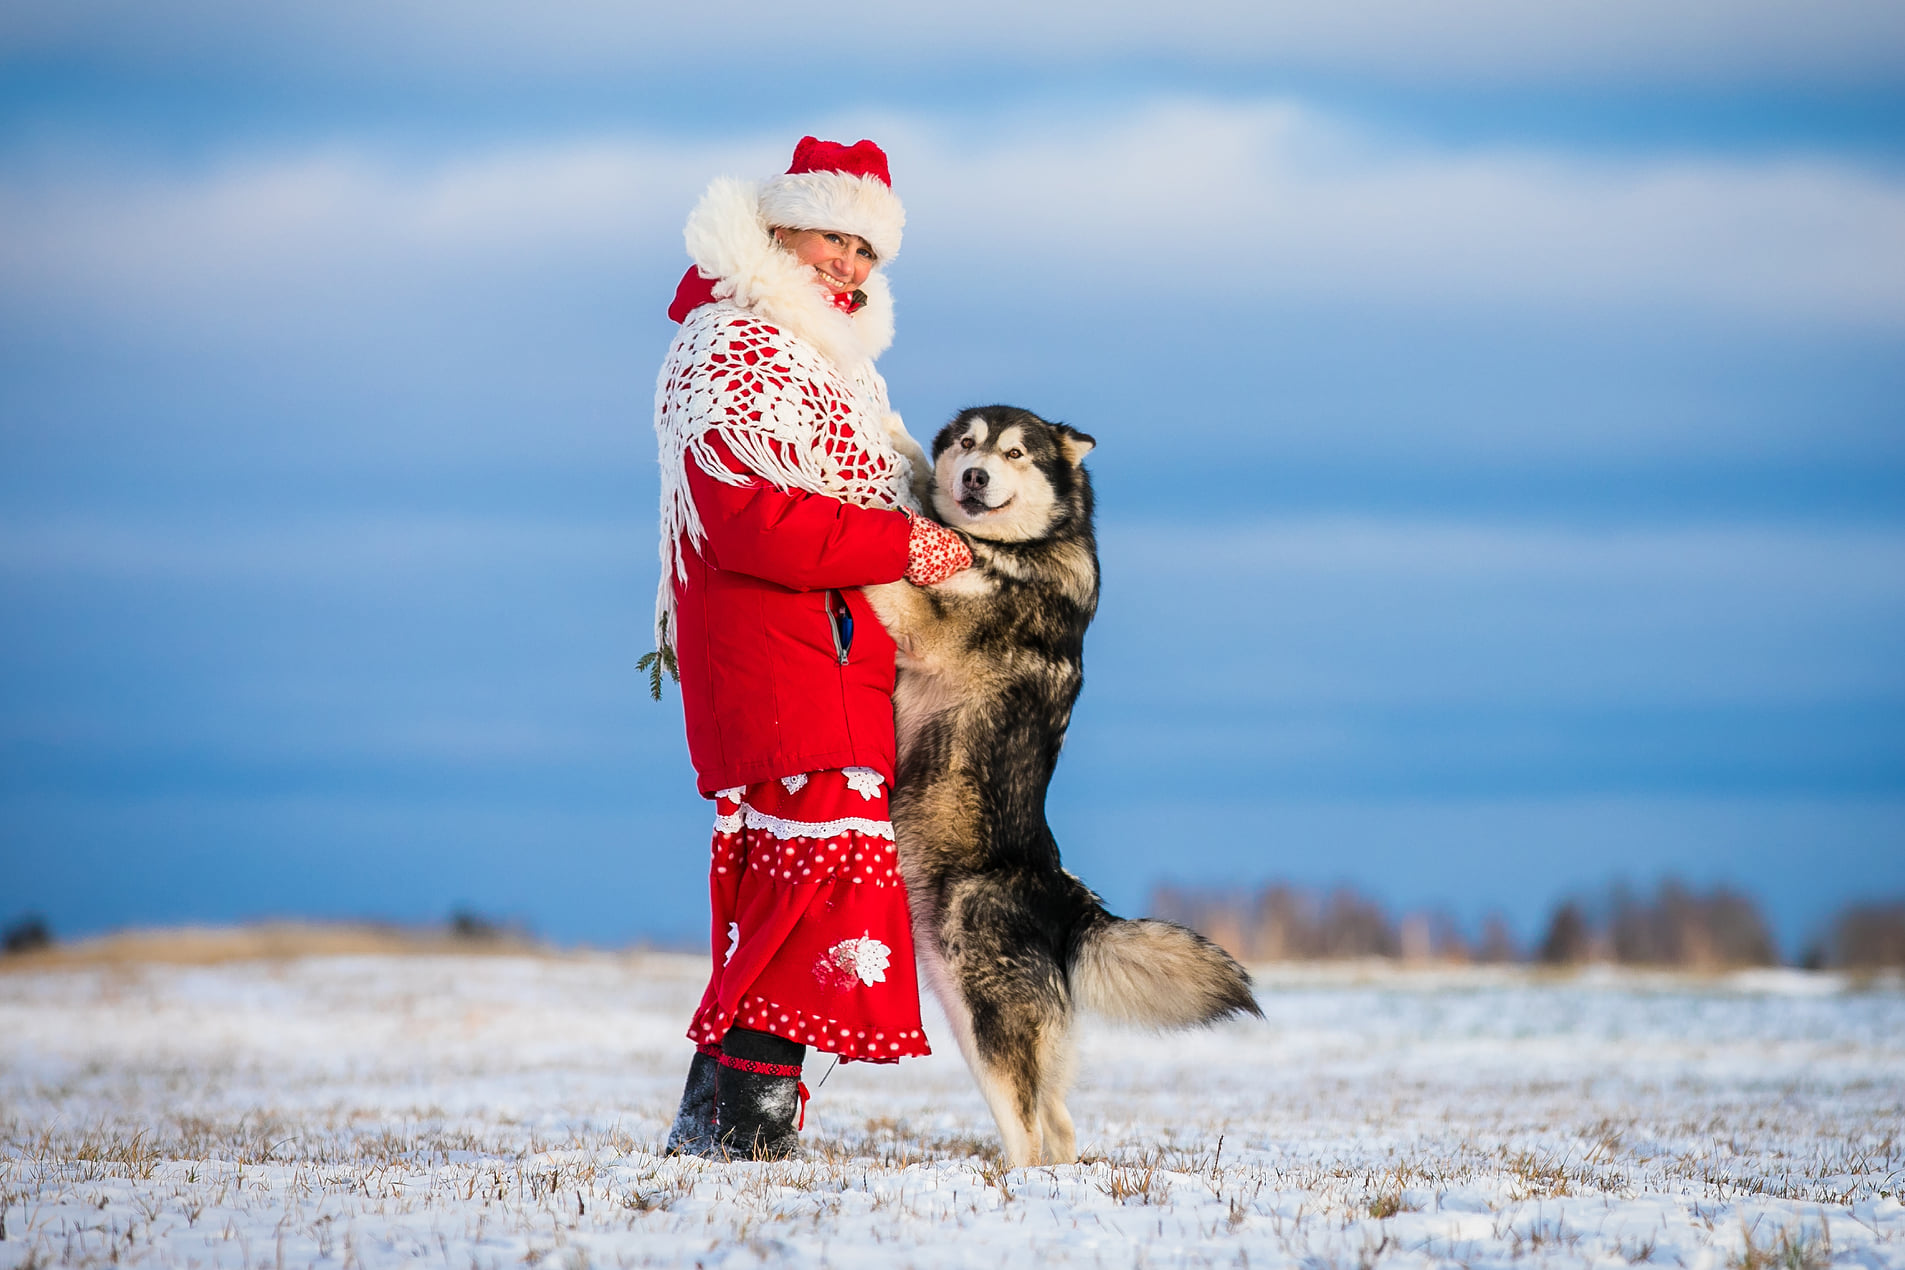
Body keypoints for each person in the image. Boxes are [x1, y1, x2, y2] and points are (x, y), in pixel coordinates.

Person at [649, 137, 971, 1158]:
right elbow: (748, 522)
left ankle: (731, 1114)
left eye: (870, 248)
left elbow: (861, 496)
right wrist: (904, 542)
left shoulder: (831, 370)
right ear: (784, 226)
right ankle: (740, 1117)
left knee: (799, 892)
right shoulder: (736, 349)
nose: (852, 263)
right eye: (837, 235)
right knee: (806, 888)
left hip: (830, 657)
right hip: (777, 654)